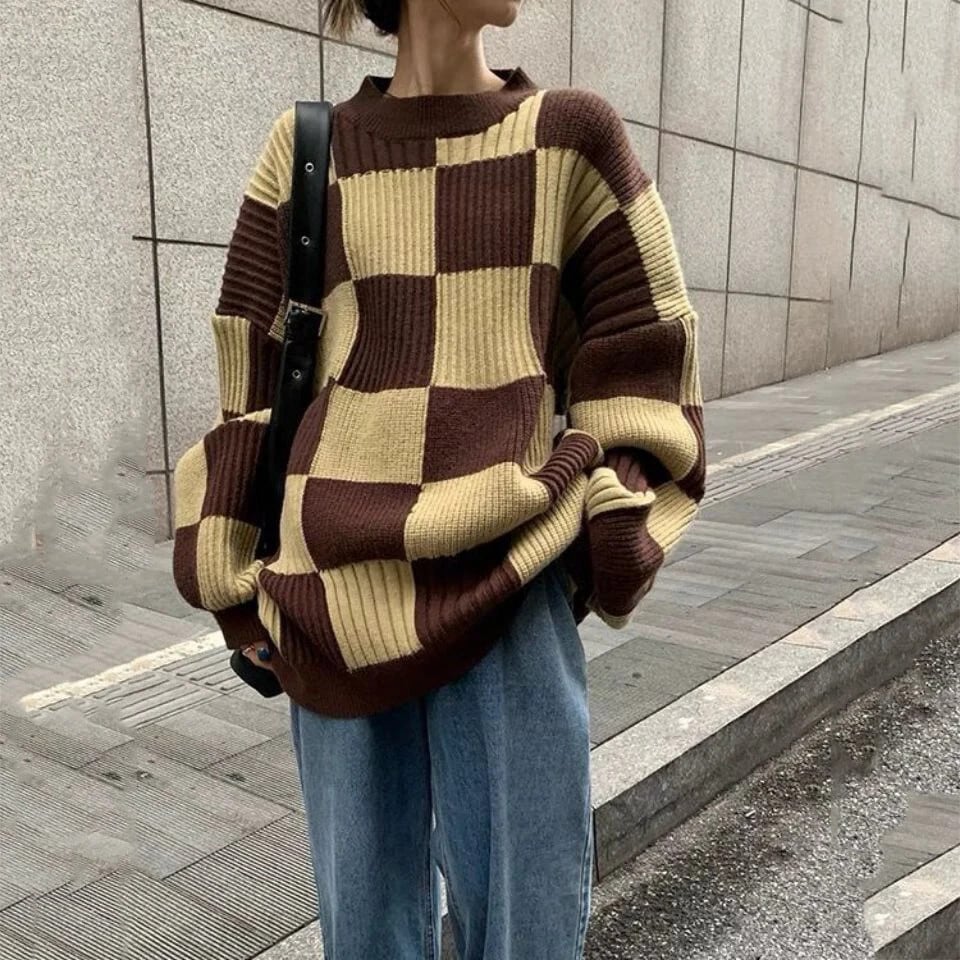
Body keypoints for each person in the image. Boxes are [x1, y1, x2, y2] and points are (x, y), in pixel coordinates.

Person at [171, 0, 706, 956]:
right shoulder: (307, 151)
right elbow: (250, 378)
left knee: (531, 929)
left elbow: (645, 350)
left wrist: (616, 504)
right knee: (366, 937)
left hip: (509, 585)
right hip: (332, 598)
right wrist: (235, 591)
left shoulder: (568, 138)